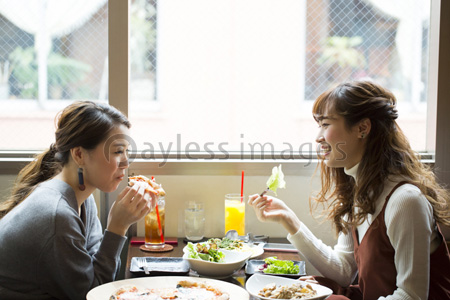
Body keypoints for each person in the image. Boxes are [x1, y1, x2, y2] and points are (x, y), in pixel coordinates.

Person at [249, 81, 450, 300]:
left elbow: (411, 296)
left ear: (362, 128)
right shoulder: (361, 190)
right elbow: (345, 270)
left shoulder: (406, 201)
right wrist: (290, 221)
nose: (318, 136)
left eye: (326, 124)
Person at [0, 101, 155, 300]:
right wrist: (117, 227)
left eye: (127, 151)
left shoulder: (83, 200)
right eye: (117, 151)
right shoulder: (57, 215)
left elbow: (93, 271)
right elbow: (92, 295)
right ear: (79, 154)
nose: (126, 162)